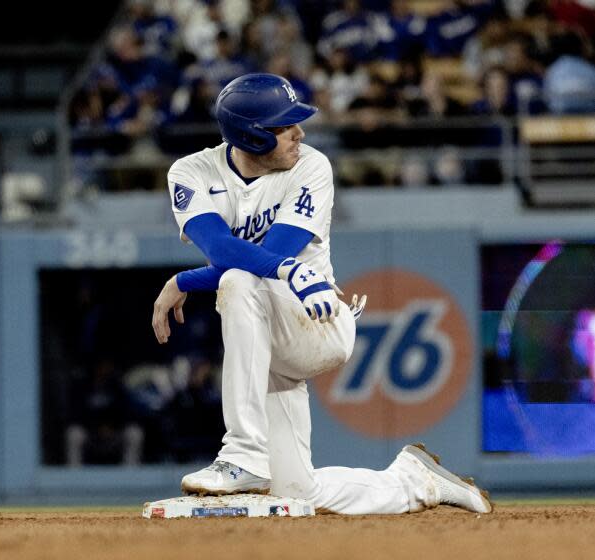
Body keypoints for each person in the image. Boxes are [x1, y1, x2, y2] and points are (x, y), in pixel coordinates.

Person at [151, 73, 492, 515]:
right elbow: (219, 248)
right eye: (284, 126)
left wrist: (185, 282)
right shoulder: (192, 171)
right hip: (262, 337)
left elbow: (271, 257)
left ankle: (242, 455)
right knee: (298, 493)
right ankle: (415, 481)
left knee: (239, 281)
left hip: (316, 322)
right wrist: (271, 271)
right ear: (252, 137)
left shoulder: (311, 166)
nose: (300, 133)